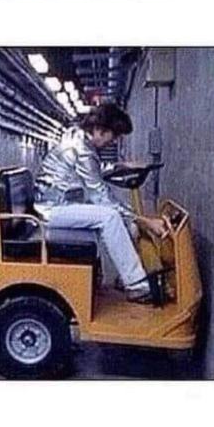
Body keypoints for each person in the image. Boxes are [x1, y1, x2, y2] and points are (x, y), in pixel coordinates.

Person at [34, 104, 167, 303]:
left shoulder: (81, 141)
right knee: (110, 216)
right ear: (99, 130)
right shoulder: (81, 148)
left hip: (61, 203)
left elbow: (92, 169)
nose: (113, 141)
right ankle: (137, 286)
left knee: (121, 216)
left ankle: (127, 277)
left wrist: (121, 166)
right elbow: (100, 196)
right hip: (52, 209)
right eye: (114, 135)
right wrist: (145, 221)